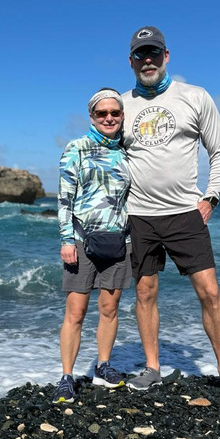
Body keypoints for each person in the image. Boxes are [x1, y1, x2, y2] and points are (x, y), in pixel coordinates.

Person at [121, 26, 220, 394]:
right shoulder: (122, 103)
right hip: (139, 215)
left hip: (184, 213)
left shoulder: (194, 96)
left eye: (153, 53)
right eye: (139, 54)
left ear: (166, 56)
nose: (147, 60)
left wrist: (211, 197)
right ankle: (152, 367)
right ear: (131, 61)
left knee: (209, 291)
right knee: (145, 293)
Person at [54, 88, 132, 403]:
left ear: (122, 115)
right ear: (92, 117)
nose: (109, 118)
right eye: (102, 114)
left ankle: (103, 366)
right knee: (76, 311)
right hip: (82, 242)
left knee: (110, 308)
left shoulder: (128, 150)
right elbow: (64, 197)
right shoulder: (77, 148)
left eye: (115, 113)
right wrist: (65, 239)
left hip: (119, 241)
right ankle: (66, 376)